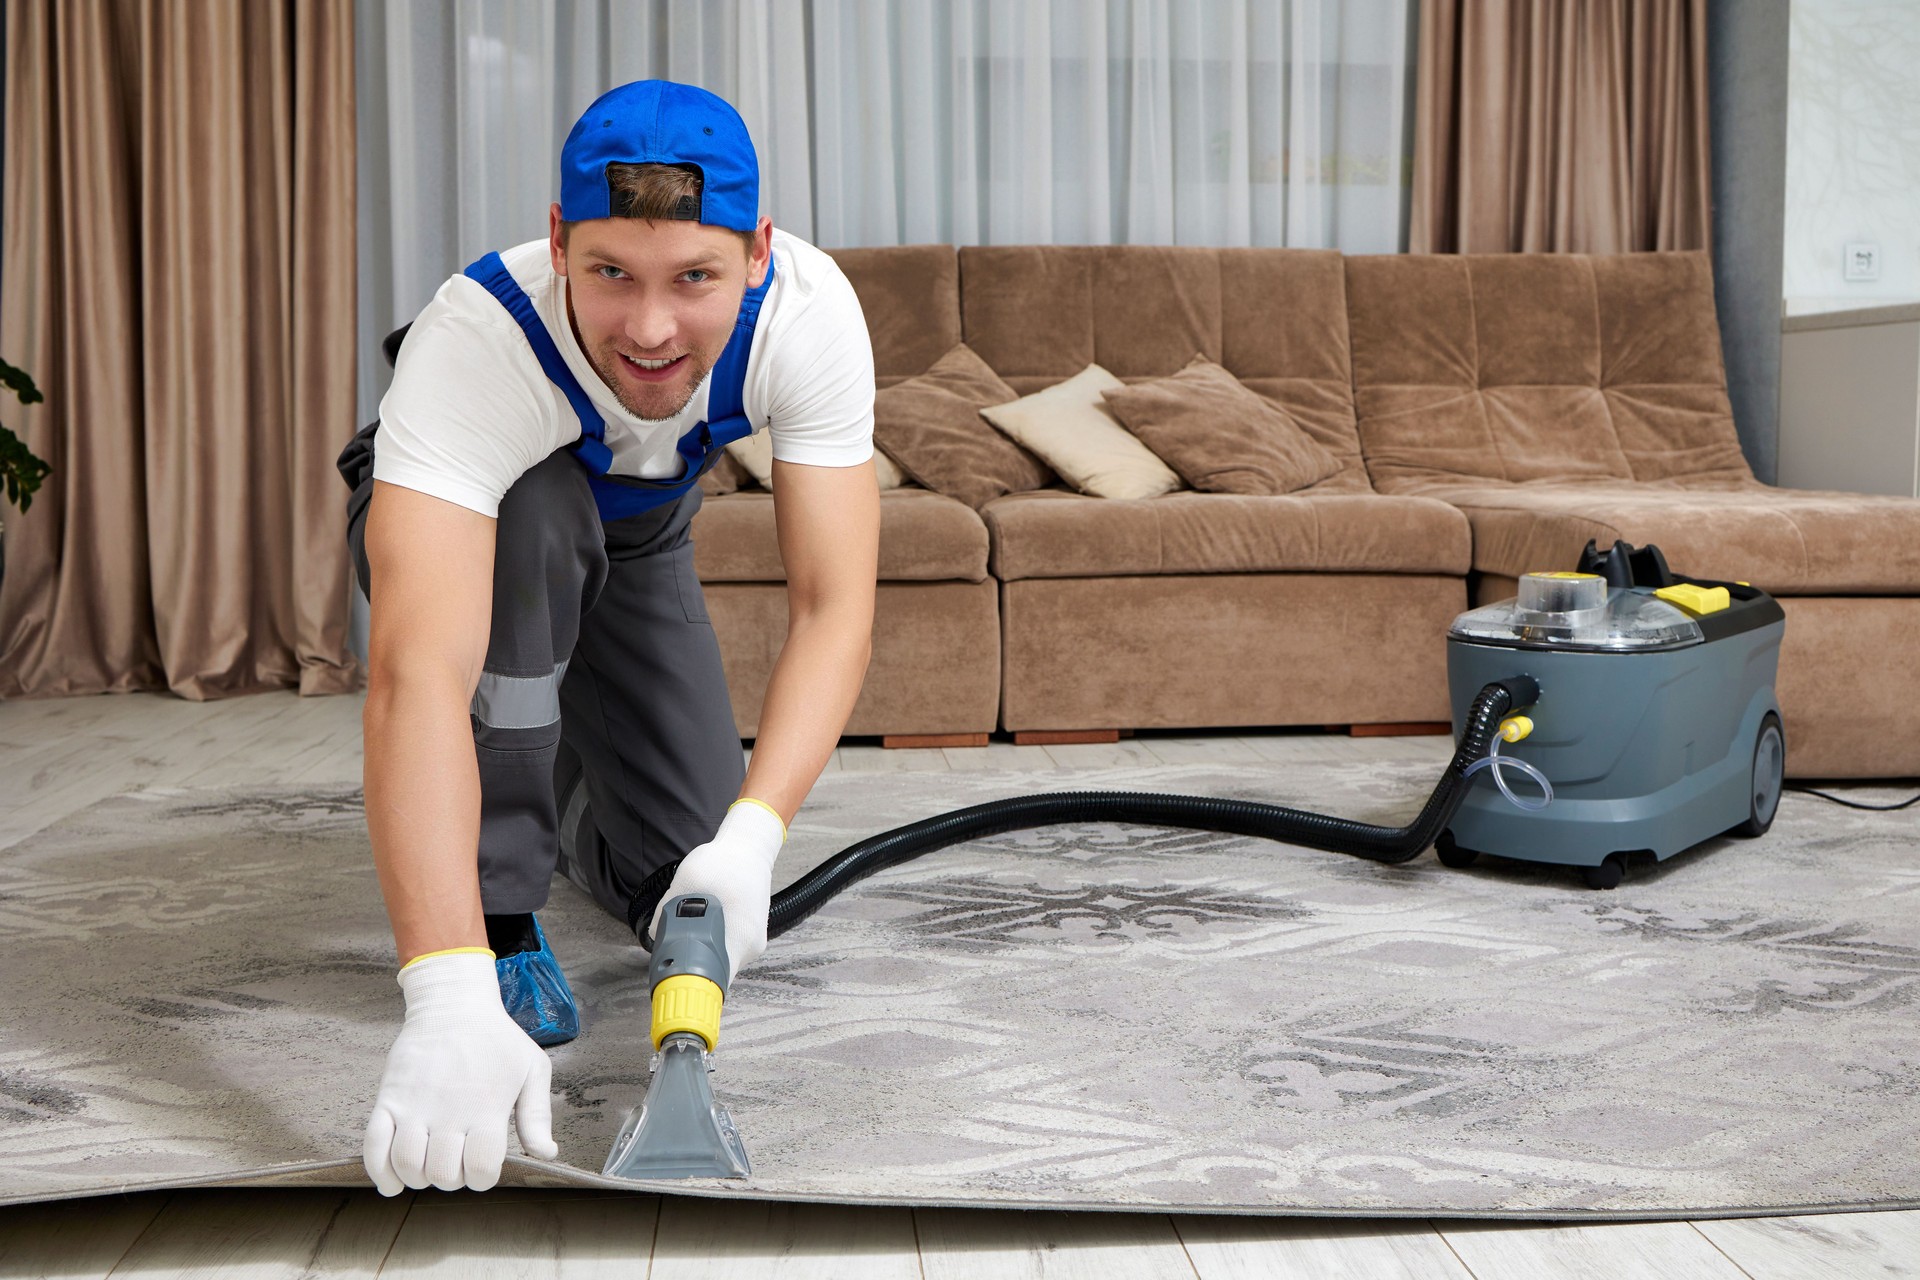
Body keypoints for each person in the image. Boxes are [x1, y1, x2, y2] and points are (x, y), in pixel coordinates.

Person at [338, 80, 879, 1196]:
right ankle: (499, 907)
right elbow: (416, 675)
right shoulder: (479, 341)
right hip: (491, 517)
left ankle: (571, 792)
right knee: (535, 533)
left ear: (759, 253)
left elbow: (835, 607)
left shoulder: (811, 316)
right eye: (611, 274)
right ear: (558, 244)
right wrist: (443, 985)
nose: (648, 327)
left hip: (641, 532)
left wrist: (754, 837)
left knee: (679, 865)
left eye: (695, 278)